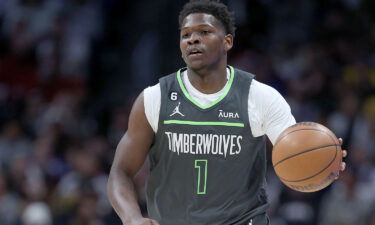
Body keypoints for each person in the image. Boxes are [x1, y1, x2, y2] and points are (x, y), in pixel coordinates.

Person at [107, 1, 347, 224]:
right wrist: (131, 218)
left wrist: (322, 160)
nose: (193, 40)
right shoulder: (154, 98)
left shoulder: (260, 97)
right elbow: (120, 172)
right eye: (186, 35)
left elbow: (297, 153)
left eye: (204, 32)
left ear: (227, 41)